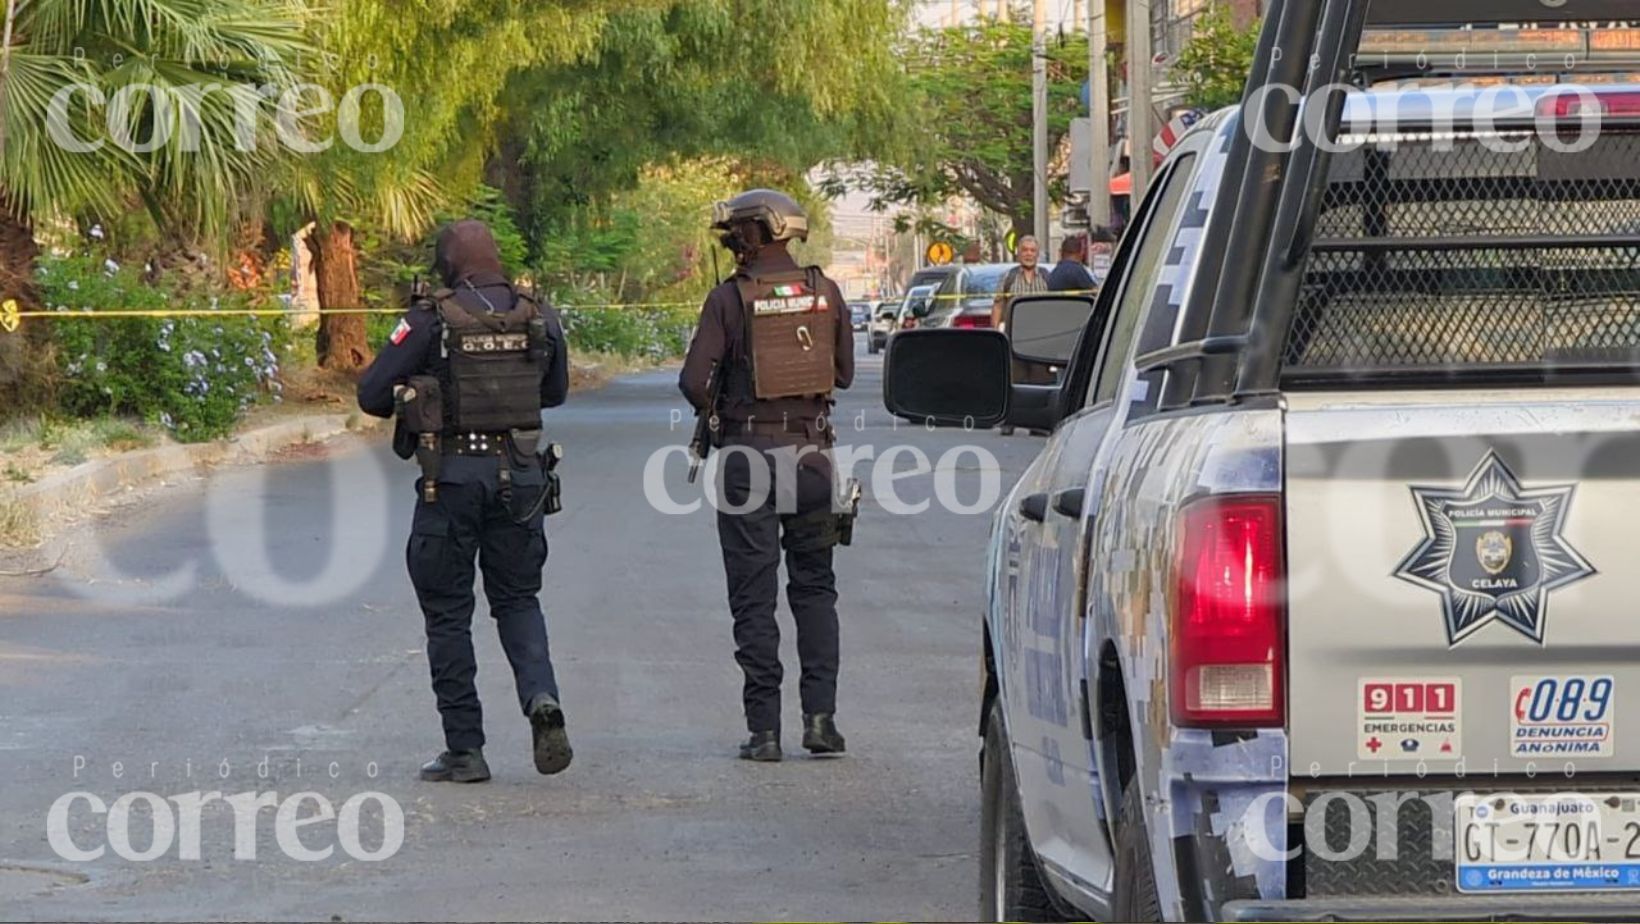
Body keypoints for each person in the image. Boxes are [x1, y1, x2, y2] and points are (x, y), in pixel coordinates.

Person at [357, 220, 573, 784]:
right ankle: (540, 697)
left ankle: (465, 749)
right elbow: (555, 391)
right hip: (523, 478)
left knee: (449, 615)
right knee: (519, 599)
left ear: (448, 264)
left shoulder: (431, 318)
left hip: (449, 481)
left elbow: (371, 394)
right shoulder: (537, 313)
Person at [679, 189, 854, 763]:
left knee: (754, 597)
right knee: (815, 589)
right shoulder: (824, 291)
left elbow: (693, 383)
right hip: (813, 459)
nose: (728, 244)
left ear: (750, 236)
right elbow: (845, 373)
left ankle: (765, 732)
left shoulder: (729, 299)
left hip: (746, 459)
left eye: (733, 235)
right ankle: (822, 721)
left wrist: (726, 397)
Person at [990, 235, 1049, 330]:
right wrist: (996, 333)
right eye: (1025, 250)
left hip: (1041, 331)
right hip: (1014, 331)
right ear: (1018, 253)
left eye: (1032, 250)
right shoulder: (1007, 277)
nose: (1028, 254)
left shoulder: (1047, 277)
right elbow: (998, 306)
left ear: (1037, 254)